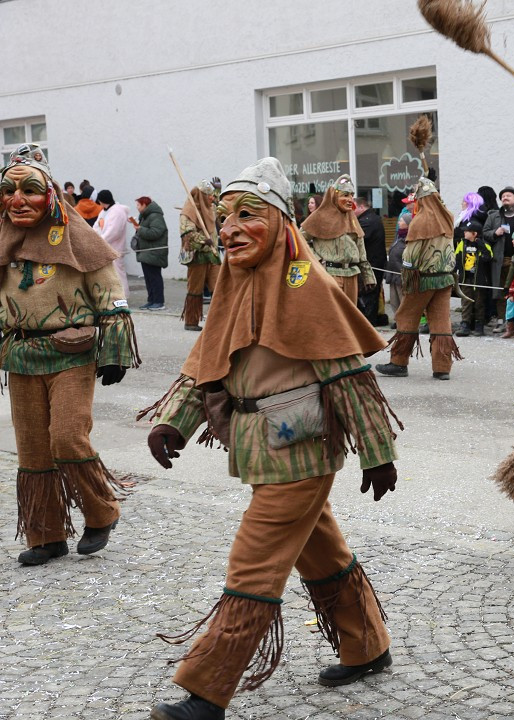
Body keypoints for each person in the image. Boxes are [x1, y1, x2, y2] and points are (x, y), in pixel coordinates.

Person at [141, 157, 401, 720]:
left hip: (302, 449)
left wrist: (378, 453)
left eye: (247, 215)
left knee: (253, 564)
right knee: (321, 550)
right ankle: (367, 644)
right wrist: (174, 422)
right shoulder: (235, 283)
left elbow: (348, 376)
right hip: (259, 446)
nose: (229, 228)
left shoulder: (308, 287)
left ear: (282, 223)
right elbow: (211, 364)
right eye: (225, 216)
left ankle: (206, 691)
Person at [0, 143, 139, 566]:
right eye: (8, 189)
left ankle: (102, 512)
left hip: (70, 352)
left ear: (51, 194)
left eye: (30, 190)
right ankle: (47, 535)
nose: (17, 199)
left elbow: (110, 292)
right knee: (33, 449)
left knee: (66, 437)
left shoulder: (76, 235)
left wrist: (114, 347)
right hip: (21, 354)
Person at [375, 177, 461, 380]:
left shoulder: (420, 221)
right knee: (441, 320)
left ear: (422, 199)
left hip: (422, 278)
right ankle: (442, 367)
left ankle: (398, 362)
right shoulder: (447, 217)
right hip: (445, 278)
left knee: (406, 316)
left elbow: (410, 256)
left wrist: (406, 274)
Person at [300, 175, 374, 305]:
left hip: (352, 275)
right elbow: (300, 240)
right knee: (333, 316)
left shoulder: (352, 219)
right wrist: (318, 259)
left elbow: (361, 249)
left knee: (350, 316)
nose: (350, 199)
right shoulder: (319, 217)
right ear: (334, 196)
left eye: (352, 195)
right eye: (345, 195)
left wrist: (368, 276)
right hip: (330, 274)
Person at [179, 179, 222, 331]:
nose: (211, 198)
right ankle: (191, 321)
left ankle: (220, 321)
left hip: (213, 254)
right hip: (197, 255)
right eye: (209, 195)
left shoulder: (210, 208)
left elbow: (219, 206)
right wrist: (204, 240)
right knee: (195, 289)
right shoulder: (188, 211)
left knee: (219, 287)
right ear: (202, 196)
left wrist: (218, 191)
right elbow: (187, 234)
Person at [483, 186, 514, 331]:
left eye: (508, 195)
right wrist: (495, 233)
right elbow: (485, 233)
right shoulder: (493, 216)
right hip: (499, 261)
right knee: (502, 291)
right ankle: (504, 322)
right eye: (502, 196)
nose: (505, 198)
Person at [355, 193, 388, 326]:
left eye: (354, 208)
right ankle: (370, 320)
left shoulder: (367, 221)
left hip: (372, 264)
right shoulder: (371, 218)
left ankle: (368, 323)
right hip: (373, 263)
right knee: (371, 295)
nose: (352, 211)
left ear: (362, 207)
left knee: (369, 295)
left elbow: (357, 238)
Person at [131, 195, 169, 310]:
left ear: (144, 205)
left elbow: (155, 232)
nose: (137, 207)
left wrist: (140, 229)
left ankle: (159, 301)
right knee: (148, 278)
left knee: (154, 278)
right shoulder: (145, 216)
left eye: (138, 205)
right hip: (147, 252)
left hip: (154, 252)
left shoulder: (155, 216)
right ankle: (151, 300)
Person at [454, 220, 491, 337]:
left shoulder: (484, 245)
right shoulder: (462, 244)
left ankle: (479, 325)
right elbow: (456, 258)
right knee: (465, 301)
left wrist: (480, 244)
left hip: (478, 280)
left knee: (479, 303)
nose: (464, 233)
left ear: (474, 234)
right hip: (466, 278)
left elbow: (487, 257)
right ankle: (465, 324)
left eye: (467, 231)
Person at [93, 189, 132, 297]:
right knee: (107, 274)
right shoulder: (104, 211)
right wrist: (94, 238)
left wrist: (101, 240)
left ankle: (122, 295)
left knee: (117, 273)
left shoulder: (117, 211)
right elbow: (96, 226)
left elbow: (114, 231)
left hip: (115, 248)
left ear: (102, 201)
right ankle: (111, 296)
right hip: (105, 247)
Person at [385, 211, 409, 325]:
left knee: (403, 300)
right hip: (392, 273)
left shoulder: (410, 238)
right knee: (394, 301)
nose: (399, 222)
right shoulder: (398, 236)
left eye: (401, 220)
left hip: (401, 274)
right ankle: (397, 319)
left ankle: (405, 321)